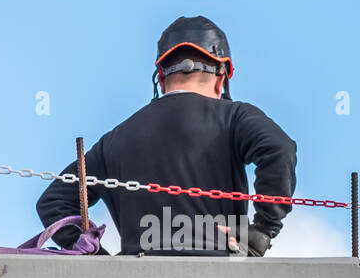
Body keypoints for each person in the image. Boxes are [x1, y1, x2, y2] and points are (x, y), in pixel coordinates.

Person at [36, 15, 297, 257]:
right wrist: (264, 229)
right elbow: (279, 149)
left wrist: (99, 259)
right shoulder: (234, 117)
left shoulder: (116, 139)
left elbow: (53, 202)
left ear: (161, 78)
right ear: (222, 78)